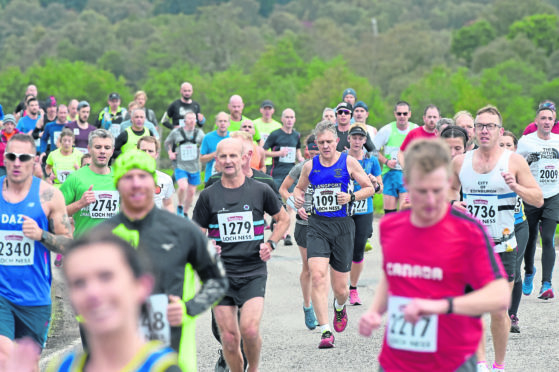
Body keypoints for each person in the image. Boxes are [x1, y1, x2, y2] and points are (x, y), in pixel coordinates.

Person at [359, 138, 510, 372]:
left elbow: (499, 296)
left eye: (437, 190)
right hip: (395, 362)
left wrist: (440, 307)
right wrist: (374, 312)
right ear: (407, 184)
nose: (430, 201)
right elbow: (393, 276)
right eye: (421, 191)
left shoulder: (468, 232)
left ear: (449, 182)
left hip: (451, 362)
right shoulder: (391, 227)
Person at [99, 149, 228, 371]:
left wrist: (189, 308)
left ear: (154, 182)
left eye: (143, 176)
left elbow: (217, 280)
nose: (136, 184)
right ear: (117, 184)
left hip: (173, 348)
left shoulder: (182, 230)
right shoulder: (102, 236)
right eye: (128, 177)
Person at [450, 105, 543, 372]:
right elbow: (447, 194)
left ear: (500, 130)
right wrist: (454, 204)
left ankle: (498, 365)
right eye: (480, 125)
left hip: (503, 247)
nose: (484, 130)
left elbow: (537, 198)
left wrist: (516, 187)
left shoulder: (513, 162)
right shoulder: (461, 162)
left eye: (490, 126)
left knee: (499, 311)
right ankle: (479, 364)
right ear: (474, 131)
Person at [193, 138, 289, 372]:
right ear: (216, 161)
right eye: (223, 156)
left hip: (252, 271)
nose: (228, 161)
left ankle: (253, 368)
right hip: (219, 274)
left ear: (243, 158)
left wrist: (272, 243)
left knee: (249, 330)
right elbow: (196, 231)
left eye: (233, 156)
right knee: (228, 338)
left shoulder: (260, 190)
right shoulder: (208, 196)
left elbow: (284, 219)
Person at [46, 231, 182, 372]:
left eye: (106, 277)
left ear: (142, 286)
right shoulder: (61, 367)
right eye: (79, 283)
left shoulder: (162, 368)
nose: (93, 292)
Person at [293, 120, 374, 349]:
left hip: (342, 226)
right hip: (317, 225)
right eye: (321, 143)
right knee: (317, 276)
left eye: (329, 141)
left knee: (341, 290)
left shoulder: (348, 162)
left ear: (337, 141)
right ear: (315, 144)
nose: (325, 146)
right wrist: (299, 198)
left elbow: (368, 188)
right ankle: (325, 330)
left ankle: (339, 307)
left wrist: (351, 197)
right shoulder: (310, 166)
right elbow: (299, 188)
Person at [0, 133, 72, 366]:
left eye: (24, 157)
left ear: (35, 160)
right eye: (12, 156)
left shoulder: (50, 196)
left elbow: (69, 243)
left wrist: (41, 235)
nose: (17, 162)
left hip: (35, 296)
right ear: (5, 159)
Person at [516, 104, 559, 300]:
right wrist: (528, 161)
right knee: (531, 237)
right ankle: (529, 271)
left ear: (554, 121)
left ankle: (546, 284)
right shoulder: (526, 142)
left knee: (548, 237)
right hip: (532, 194)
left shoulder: (558, 142)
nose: (546, 122)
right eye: (543, 118)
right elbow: (516, 166)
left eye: (550, 119)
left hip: (553, 195)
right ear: (536, 121)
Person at [279, 135, 319, 330]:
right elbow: (283, 189)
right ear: (306, 151)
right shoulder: (300, 167)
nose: (315, 154)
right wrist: (294, 204)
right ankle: (308, 306)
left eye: (317, 150)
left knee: (324, 269)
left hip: (328, 223)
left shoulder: (335, 167)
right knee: (309, 268)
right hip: (304, 224)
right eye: (311, 151)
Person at [346, 124, 382, 306]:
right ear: (349, 139)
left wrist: (375, 182)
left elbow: (379, 189)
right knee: (342, 249)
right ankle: (341, 282)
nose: (358, 141)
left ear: (365, 141)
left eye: (361, 138)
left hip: (363, 210)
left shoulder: (372, 160)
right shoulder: (341, 159)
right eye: (355, 137)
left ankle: (353, 288)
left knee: (358, 250)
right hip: (344, 209)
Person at [60, 129, 118, 239]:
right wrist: (80, 204)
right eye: (98, 147)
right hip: (84, 248)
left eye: (107, 148)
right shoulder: (76, 177)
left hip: (114, 249)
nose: (102, 151)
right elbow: (57, 212)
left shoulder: (121, 178)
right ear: (89, 149)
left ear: (112, 151)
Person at [498, 131, 529, 333]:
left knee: (515, 270)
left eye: (509, 145)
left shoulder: (520, 168)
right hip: (497, 228)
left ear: (515, 148)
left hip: (519, 225)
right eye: (501, 144)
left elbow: (535, 194)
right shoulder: (487, 168)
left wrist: (517, 186)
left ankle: (512, 315)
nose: (506, 148)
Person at [263, 108, 304, 246]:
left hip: (291, 173)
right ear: (282, 119)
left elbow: (298, 150)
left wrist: (300, 158)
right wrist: (278, 154)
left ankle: (287, 234)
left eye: (292, 117)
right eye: (287, 117)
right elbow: (263, 151)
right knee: (278, 203)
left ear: (295, 119)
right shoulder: (275, 134)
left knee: (290, 203)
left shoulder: (296, 135)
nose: (289, 120)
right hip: (276, 173)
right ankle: (277, 223)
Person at [373, 101, 418, 214]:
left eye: (404, 113)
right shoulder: (387, 130)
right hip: (390, 173)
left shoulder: (415, 129)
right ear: (395, 114)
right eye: (399, 114)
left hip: (407, 174)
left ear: (409, 114)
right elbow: (372, 150)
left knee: (405, 212)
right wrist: (386, 161)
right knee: (390, 214)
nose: (402, 116)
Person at [164, 111, 205, 217]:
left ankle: (185, 212)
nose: (191, 121)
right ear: (184, 121)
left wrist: (202, 151)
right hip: (180, 165)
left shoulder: (199, 133)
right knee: (182, 187)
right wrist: (170, 152)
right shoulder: (176, 132)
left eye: (193, 119)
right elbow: (167, 142)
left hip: (195, 166)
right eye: (189, 119)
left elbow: (205, 145)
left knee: (191, 192)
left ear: (196, 121)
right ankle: (180, 206)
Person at [137, 136, 175, 214]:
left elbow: (168, 204)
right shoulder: (125, 178)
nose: (146, 154)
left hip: (154, 224)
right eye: (143, 150)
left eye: (150, 151)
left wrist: (171, 223)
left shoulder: (166, 179)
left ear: (156, 154)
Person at [200, 112, 230, 183]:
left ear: (229, 123)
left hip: (229, 178)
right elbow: (201, 159)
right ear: (216, 123)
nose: (222, 123)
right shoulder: (208, 137)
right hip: (211, 178)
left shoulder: (232, 137)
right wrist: (216, 153)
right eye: (220, 121)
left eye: (225, 121)